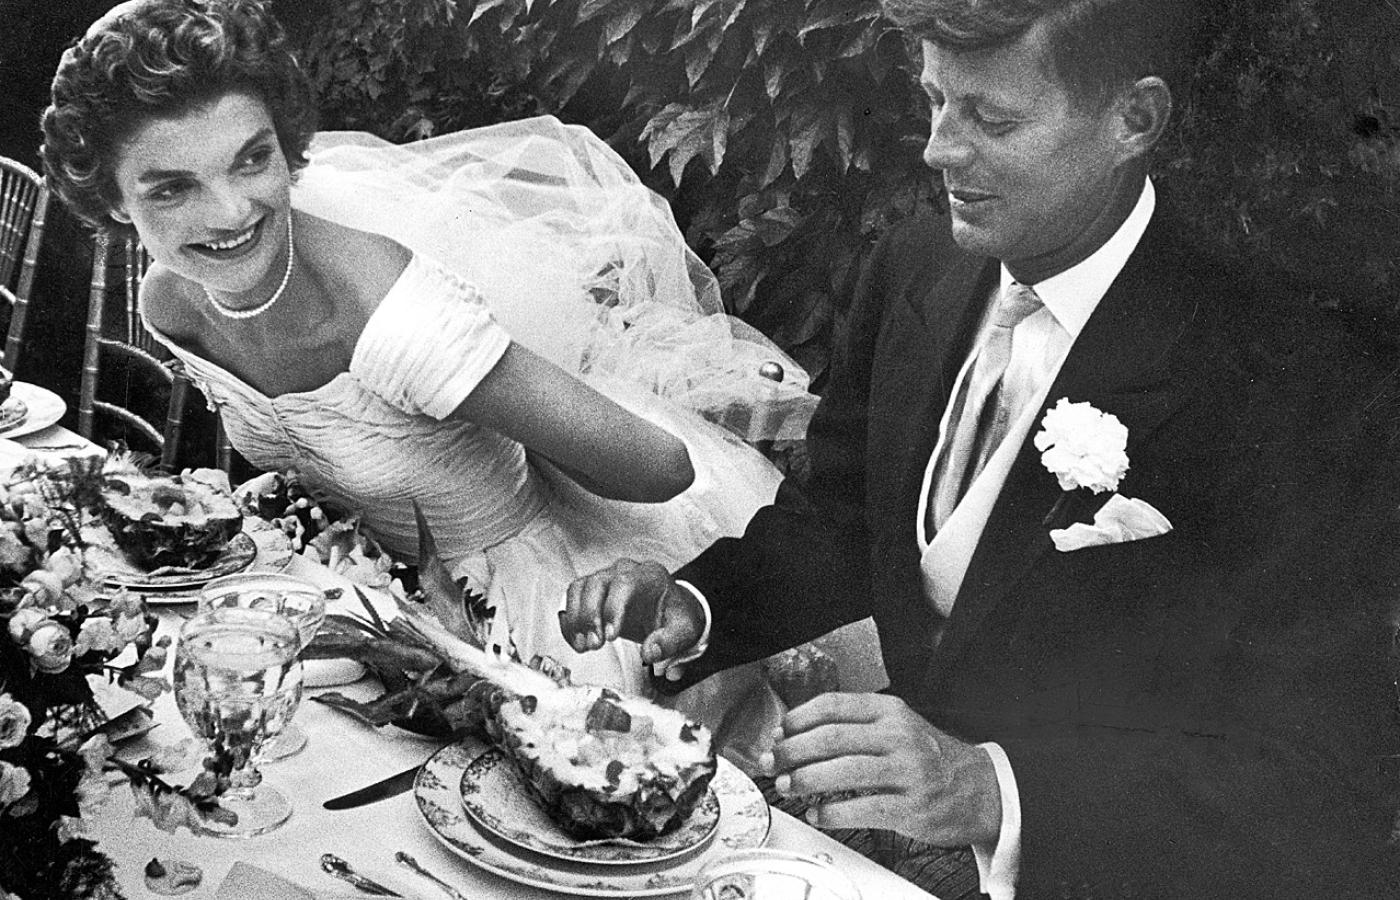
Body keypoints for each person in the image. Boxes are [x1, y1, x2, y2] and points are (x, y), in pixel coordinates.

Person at [562, 0, 1400, 896]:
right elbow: (847, 520)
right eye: (934, 101)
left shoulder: (1291, 384)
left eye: (992, 120)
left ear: (1134, 119)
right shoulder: (914, 266)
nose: (939, 150)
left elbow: (1318, 774)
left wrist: (993, 790)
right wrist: (700, 603)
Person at [40, 0, 816, 696]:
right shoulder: (173, 301)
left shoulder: (395, 318)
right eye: (172, 188)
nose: (232, 211)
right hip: (381, 611)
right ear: (113, 199)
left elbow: (661, 467)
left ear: (288, 148)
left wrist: (498, 407)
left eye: (252, 158)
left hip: (538, 625)